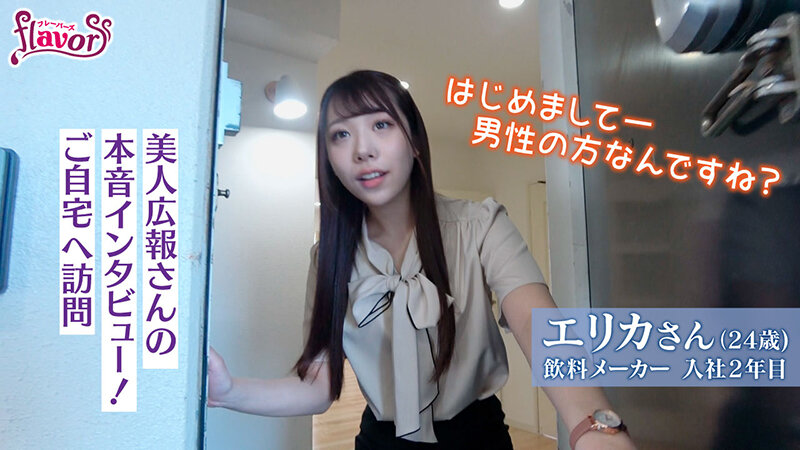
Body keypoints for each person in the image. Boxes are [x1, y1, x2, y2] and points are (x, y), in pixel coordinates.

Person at [207, 70, 637, 450]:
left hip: (477, 438)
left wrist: (594, 428)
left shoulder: (481, 225)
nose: (362, 150)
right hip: (380, 443)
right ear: (329, 159)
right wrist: (228, 391)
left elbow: (538, 324)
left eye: (381, 124)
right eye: (340, 134)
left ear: (414, 141)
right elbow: (318, 385)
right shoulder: (328, 259)